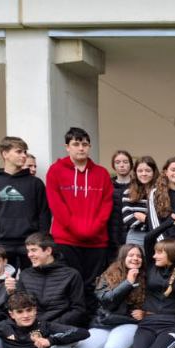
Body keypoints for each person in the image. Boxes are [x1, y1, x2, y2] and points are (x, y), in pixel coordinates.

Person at [15, 232, 88, 348]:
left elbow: (79, 310)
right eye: (28, 251)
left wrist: (49, 328)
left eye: (34, 250)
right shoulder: (25, 275)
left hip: (60, 329)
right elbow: (20, 307)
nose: (30, 255)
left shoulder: (71, 275)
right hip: (31, 330)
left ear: (48, 250)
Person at [71, 243, 144, 348]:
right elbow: (107, 301)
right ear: (122, 257)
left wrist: (146, 313)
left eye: (139, 256)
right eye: (131, 255)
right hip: (103, 323)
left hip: (129, 323)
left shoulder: (147, 277)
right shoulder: (108, 275)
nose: (135, 258)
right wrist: (128, 282)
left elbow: (156, 302)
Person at [45, 127, 113, 310]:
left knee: (93, 284)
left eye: (85, 144)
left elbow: (106, 205)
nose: (81, 148)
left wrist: (92, 229)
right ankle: (71, 318)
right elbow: (56, 205)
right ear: (67, 147)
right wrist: (77, 229)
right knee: (69, 283)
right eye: (76, 144)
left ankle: (91, 319)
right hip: (66, 240)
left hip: (96, 241)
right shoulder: (55, 171)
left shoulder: (102, 173)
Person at [0, 136, 50, 271]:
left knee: (32, 281)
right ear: (5, 154)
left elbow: (44, 214)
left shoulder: (35, 183)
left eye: (25, 152)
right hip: (0, 244)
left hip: (30, 244)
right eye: (19, 151)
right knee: (2, 282)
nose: (23, 155)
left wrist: (42, 241)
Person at [148, 156, 175, 241]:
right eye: (173, 170)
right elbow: (154, 222)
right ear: (166, 172)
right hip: (167, 243)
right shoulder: (155, 193)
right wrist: (163, 243)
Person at [120, 156, 159, 247]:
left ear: (154, 172)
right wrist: (152, 223)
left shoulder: (162, 193)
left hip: (159, 237)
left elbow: (165, 219)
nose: (144, 174)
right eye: (140, 171)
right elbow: (128, 219)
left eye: (148, 171)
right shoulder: (128, 192)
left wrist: (145, 219)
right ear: (135, 173)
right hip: (136, 237)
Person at [108, 149, 134, 248]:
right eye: (118, 162)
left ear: (131, 165)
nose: (122, 165)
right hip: (111, 236)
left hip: (132, 236)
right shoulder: (107, 185)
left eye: (125, 162)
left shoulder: (138, 186)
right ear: (113, 165)